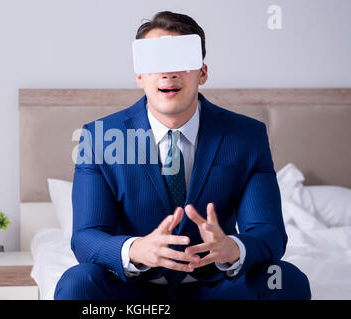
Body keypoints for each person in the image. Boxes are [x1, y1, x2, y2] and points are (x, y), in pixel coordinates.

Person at [54, 11, 311, 300]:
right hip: (133, 293)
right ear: (140, 75)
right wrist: (137, 249)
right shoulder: (99, 138)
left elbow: (269, 233)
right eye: (156, 62)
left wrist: (233, 249)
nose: (168, 73)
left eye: (181, 61)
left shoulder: (246, 137)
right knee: (78, 282)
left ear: (203, 72)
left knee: (284, 279)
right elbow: (86, 237)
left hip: (217, 289)